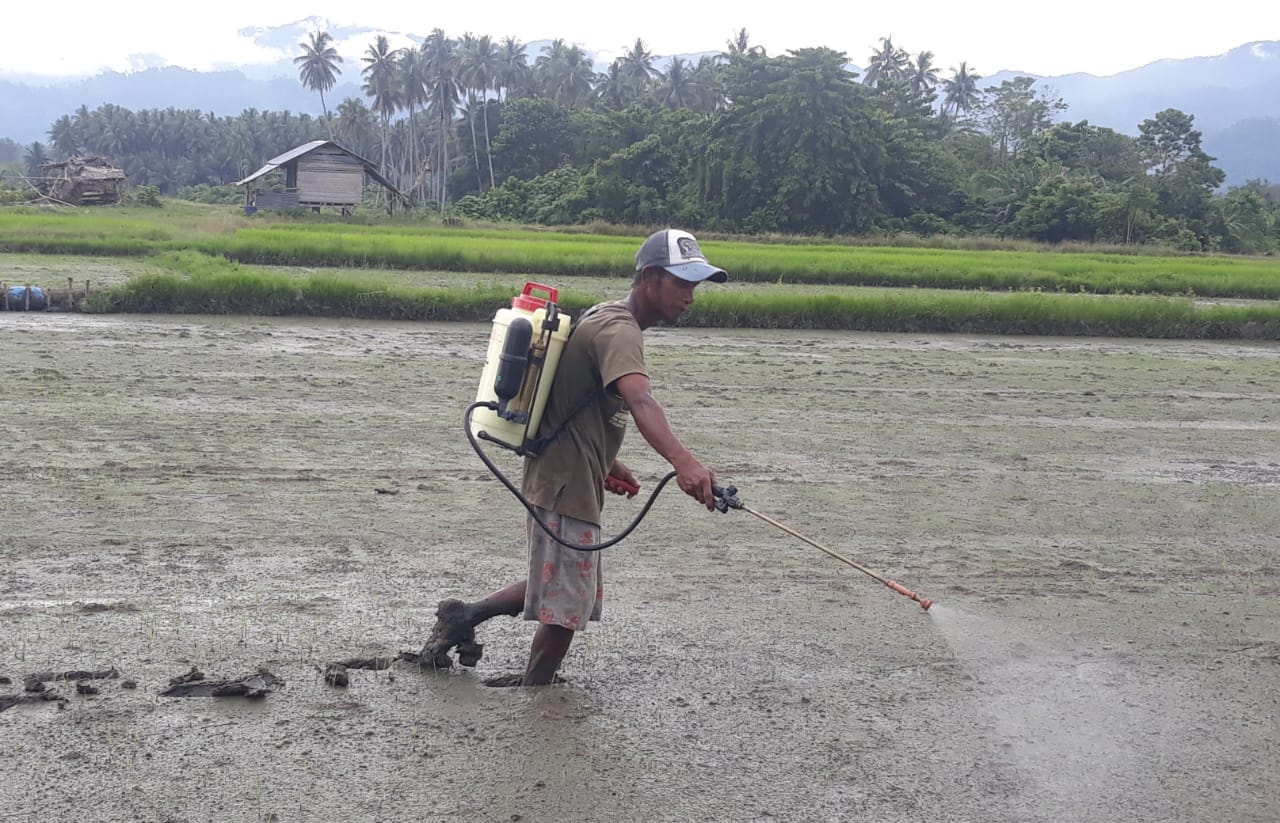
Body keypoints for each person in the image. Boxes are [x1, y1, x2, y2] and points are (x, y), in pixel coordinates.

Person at [420, 228, 728, 686]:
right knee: (567, 604)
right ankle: (536, 694)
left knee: (564, 581)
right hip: (566, 481)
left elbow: (573, 397)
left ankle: (464, 616)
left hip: (568, 473)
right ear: (649, 278)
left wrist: (605, 462)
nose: (690, 296)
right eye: (681, 283)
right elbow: (640, 400)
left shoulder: (607, 315)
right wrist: (684, 462)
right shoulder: (620, 329)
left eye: (694, 285)